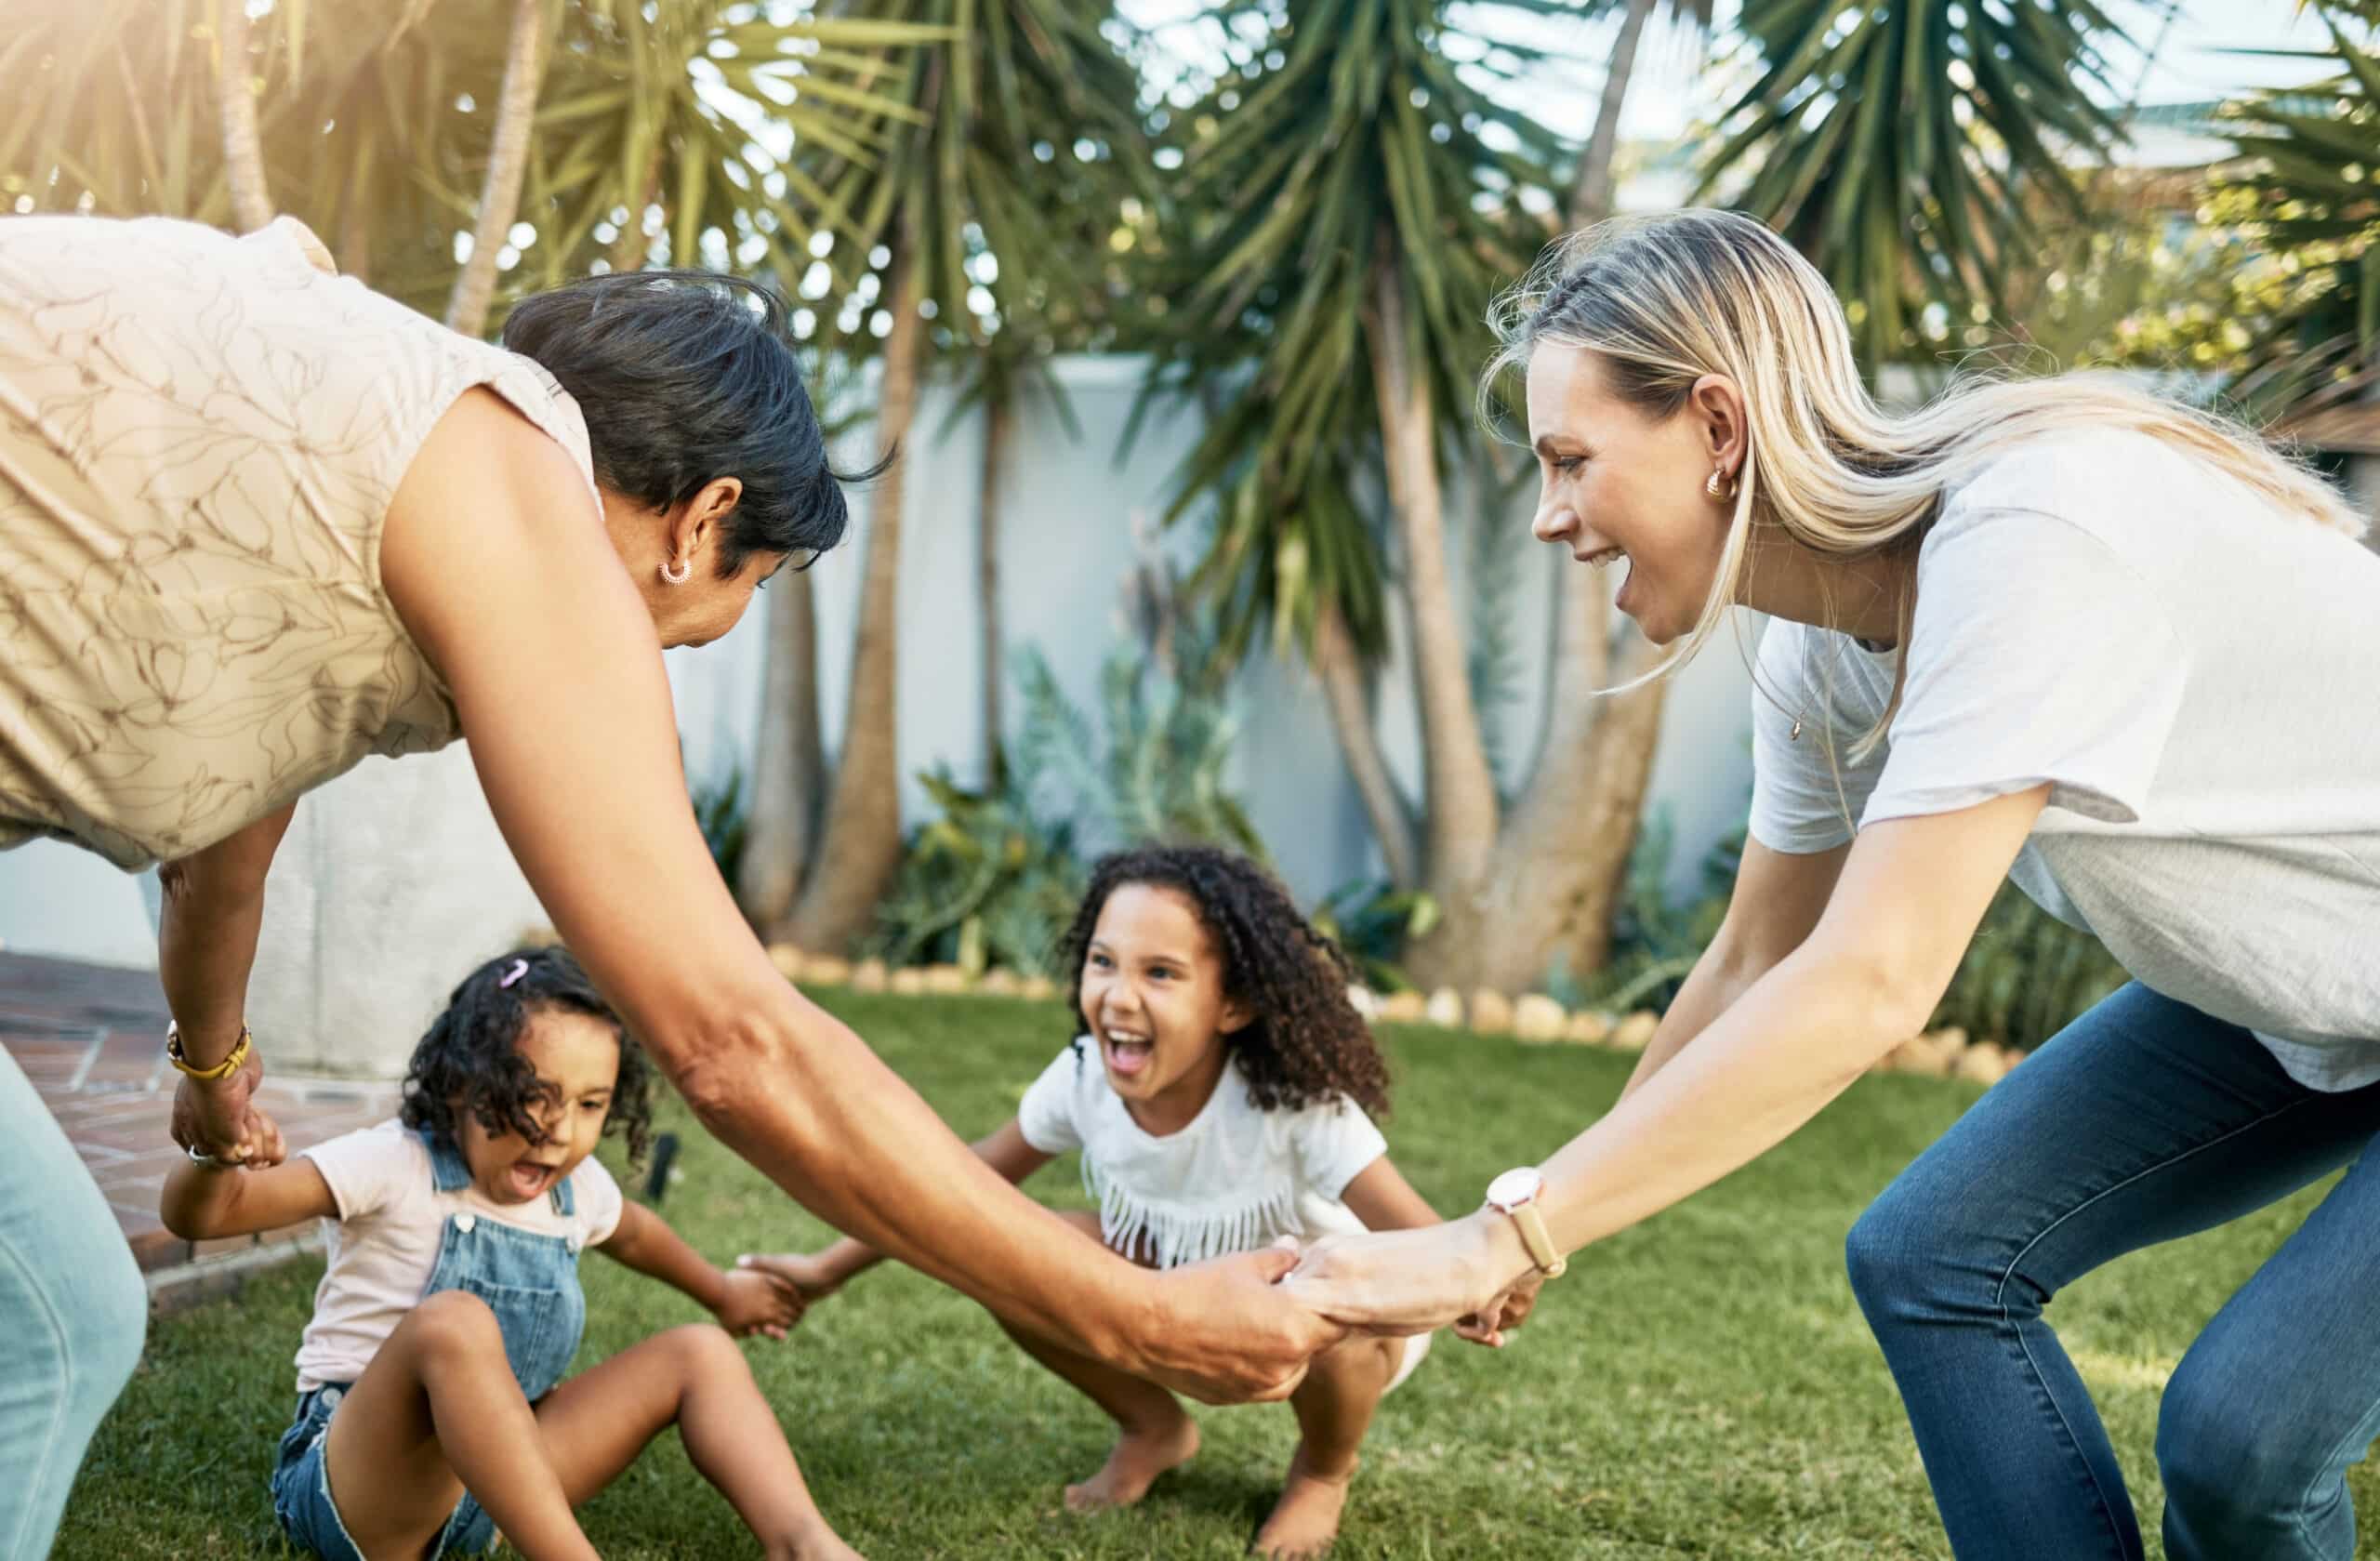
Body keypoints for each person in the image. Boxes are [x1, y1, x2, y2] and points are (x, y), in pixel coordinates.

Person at [0, 213, 1332, 1558]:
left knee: (52, 1313)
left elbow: (226, 834)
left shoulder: (372, 419)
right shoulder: (517, 504)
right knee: (43, 1329)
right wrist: (1143, 1316)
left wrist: (210, 1055)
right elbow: (733, 1039)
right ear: (703, 523)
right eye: (749, 584)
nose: (694, 641)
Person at [1280, 208, 2380, 1561]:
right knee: (1930, 1255)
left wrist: (1506, 1238)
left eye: (1569, 459)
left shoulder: (2032, 535)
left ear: (1718, 426)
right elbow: (1754, 964)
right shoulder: (1822, 652)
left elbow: (1871, 978)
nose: (1548, 513)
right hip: (2304, 989)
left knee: (2241, 1437)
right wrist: (1532, 1216)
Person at [746, 847, 1477, 1560]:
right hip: (1168, 1274)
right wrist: (825, 1269)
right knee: (1014, 1255)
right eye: (1104, 961)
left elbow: (1428, 1241)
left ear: (1234, 1003)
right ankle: (1152, 1428)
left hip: (1320, 1323)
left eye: (1160, 972)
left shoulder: (1299, 1109)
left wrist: (1489, 1280)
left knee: (1340, 1322)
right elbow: (953, 1192)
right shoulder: (1084, 1077)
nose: (1119, 996)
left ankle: (1322, 1470)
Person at [160, 946, 858, 1561]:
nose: (560, 1131)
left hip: (492, 1495)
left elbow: (637, 1233)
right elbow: (211, 1214)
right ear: (463, 1083)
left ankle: (805, 1542)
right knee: (453, 1323)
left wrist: (723, 1294)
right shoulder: (395, 1162)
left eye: (591, 1104)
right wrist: (215, 1154)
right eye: (536, 1096)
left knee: (699, 1353)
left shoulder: (574, 1190)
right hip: (363, 1489)